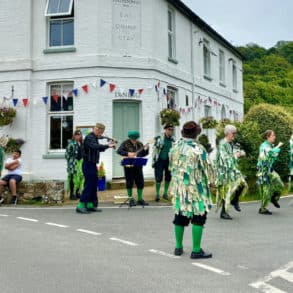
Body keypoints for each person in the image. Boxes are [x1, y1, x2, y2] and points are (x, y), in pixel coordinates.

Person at [169, 121, 213, 259]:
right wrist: (213, 182)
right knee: (199, 216)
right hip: (196, 189)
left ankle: (178, 247)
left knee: (180, 215)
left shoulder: (175, 147)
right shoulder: (198, 149)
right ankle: (196, 250)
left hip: (179, 188)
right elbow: (208, 168)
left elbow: (171, 165)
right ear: (196, 133)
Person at [76, 123, 116, 214]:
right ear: (97, 130)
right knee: (89, 185)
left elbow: (99, 148)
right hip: (87, 164)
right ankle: (80, 206)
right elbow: (95, 146)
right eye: (100, 132)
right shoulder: (90, 138)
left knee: (94, 185)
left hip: (92, 164)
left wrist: (108, 144)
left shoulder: (94, 138)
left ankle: (90, 205)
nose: (101, 135)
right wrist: (108, 145)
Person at [215, 125, 248, 220]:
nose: (234, 135)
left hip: (231, 170)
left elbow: (234, 153)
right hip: (224, 172)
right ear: (228, 133)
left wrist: (240, 153)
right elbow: (224, 160)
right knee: (227, 191)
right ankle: (224, 212)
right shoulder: (222, 144)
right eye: (233, 133)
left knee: (242, 182)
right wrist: (236, 155)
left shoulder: (231, 143)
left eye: (235, 133)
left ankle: (235, 200)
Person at [117, 130, 149, 207]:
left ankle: (140, 199)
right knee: (129, 182)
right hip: (128, 166)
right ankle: (130, 199)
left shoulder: (140, 144)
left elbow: (143, 154)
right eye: (132, 138)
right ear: (130, 137)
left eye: (135, 138)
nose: (134, 140)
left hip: (138, 165)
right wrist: (128, 153)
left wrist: (146, 149)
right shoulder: (125, 143)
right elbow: (119, 151)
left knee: (140, 182)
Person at [257, 130, 284, 215]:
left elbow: (273, 155)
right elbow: (271, 152)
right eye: (273, 136)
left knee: (280, 185)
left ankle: (273, 198)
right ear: (268, 137)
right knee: (266, 189)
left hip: (270, 170)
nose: (274, 137)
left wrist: (275, 149)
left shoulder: (270, 145)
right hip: (263, 171)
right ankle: (263, 209)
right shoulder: (263, 146)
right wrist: (279, 145)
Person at [152, 124, 175, 201]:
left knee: (168, 177)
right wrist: (154, 160)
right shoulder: (159, 138)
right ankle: (157, 194)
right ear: (165, 130)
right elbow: (154, 149)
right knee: (158, 177)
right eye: (169, 129)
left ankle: (165, 193)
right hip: (159, 160)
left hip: (169, 161)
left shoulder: (173, 140)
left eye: (172, 130)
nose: (170, 131)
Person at [65, 130, 84, 200]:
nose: (78, 136)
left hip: (80, 162)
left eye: (79, 135)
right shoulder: (71, 143)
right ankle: (71, 194)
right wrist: (71, 161)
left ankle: (77, 193)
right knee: (73, 178)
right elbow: (67, 155)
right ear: (74, 135)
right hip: (73, 164)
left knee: (80, 178)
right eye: (77, 135)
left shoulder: (81, 143)